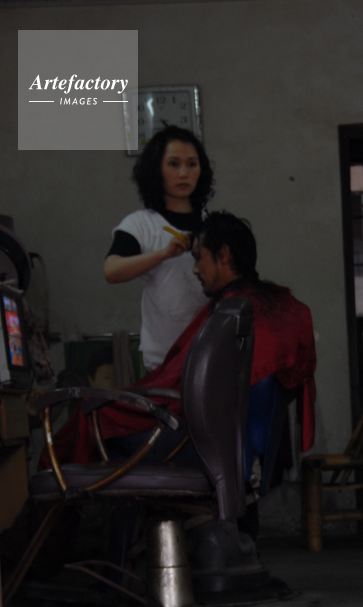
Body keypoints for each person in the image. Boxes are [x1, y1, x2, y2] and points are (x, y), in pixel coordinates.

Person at [42, 211, 316, 469]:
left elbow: (180, 390)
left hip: (201, 442)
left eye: (198, 257)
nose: (195, 270)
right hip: (238, 442)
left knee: (91, 418)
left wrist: (110, 402)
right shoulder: (283, 307)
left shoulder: (231, 316)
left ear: (223, 254)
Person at [104, 125, 214, 371]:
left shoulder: (212, 224)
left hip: (211, 358)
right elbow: (111, 271)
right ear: (156, 170)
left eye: (192, 164)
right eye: (173, 164)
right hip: (163, 362)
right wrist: (164, 254)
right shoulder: (140, 224)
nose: (183, 173)